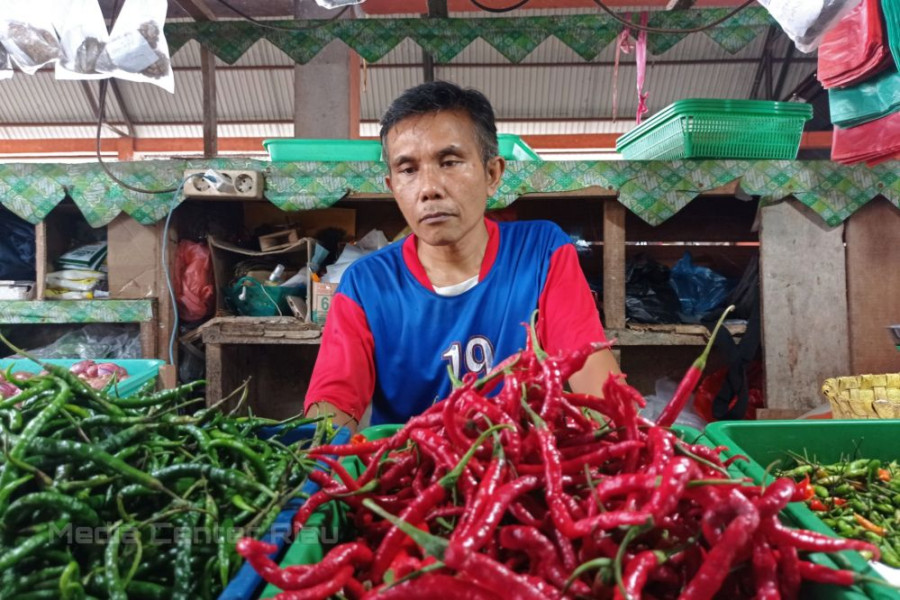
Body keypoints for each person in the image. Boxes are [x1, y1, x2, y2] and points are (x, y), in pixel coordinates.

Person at [305, 81, 619, 431]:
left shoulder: (542, 252)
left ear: (492, 173)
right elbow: (332, 406)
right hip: (410, 476)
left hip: (524, 470)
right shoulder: (366, 284)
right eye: (408, 170)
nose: (429, 189)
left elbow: (600, 392)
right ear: (393, 187)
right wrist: (318, 459)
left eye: (450, 162)